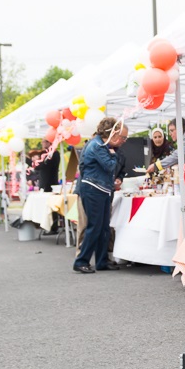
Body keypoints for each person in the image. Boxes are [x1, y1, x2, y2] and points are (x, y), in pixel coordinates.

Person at [73, 115, 127, 274]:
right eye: (120, 135)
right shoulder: (97, 146)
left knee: (103, 227)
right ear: (112, 133)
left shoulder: (99, 145)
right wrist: (113, 152)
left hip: (100, 189)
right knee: (95, 226)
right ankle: (81, 261)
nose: (121, 139)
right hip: (93, 190)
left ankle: (102, 260)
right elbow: (110, 166)